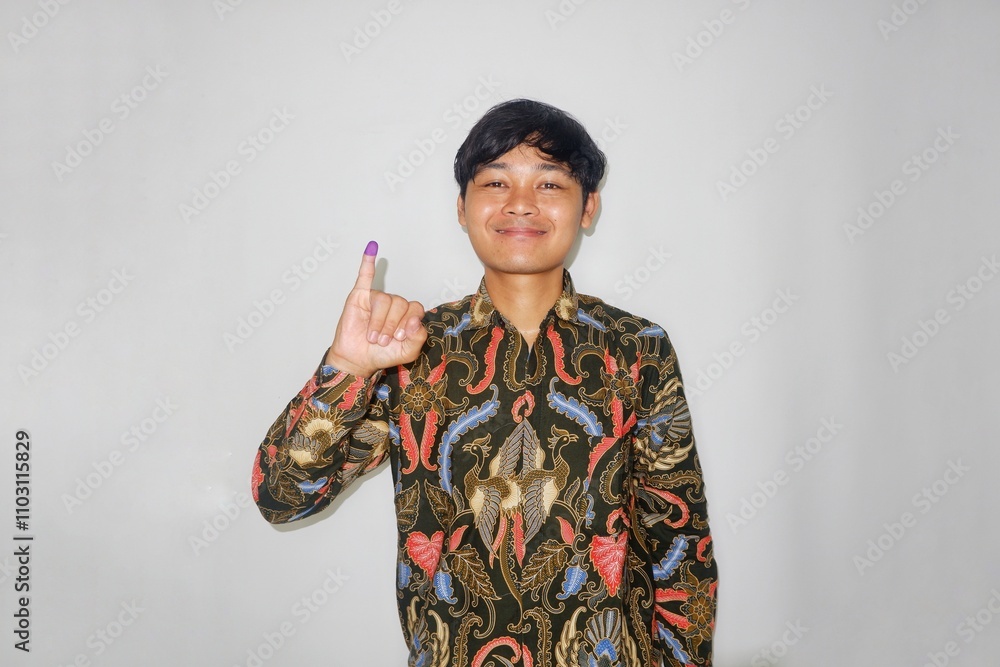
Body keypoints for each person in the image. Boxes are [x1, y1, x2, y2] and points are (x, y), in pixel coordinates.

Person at [252, 98, 718, 666]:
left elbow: (679, 541)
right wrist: (347, 369)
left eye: (550, 185)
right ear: (462, 205)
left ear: (588, 206)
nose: (520, 204)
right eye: (496, 182)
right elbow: (282, 498)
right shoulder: (412, 350)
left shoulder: (637, 348)